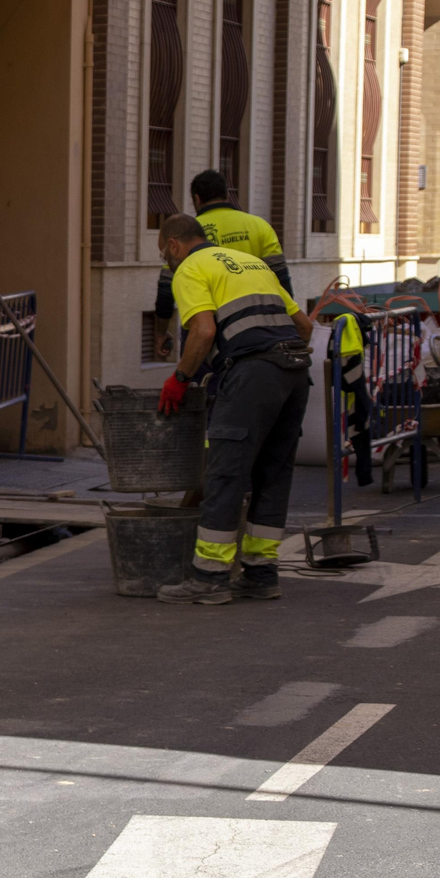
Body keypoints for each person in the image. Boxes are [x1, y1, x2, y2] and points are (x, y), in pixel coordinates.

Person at [153, 214, 315, 604]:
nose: (167, 261)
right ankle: (261, 573)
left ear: (174, 245)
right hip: (294, 373)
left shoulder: (190, 268)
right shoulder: (251, 263)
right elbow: (305, 327)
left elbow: (204, 332)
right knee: (272, 473)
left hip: (253, 374)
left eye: (164, 254)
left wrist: (180, 378)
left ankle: (209, 577)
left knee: (227, 472)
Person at [153, 169, 292, 358]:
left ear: (197, 199)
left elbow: (165, 290)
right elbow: (281, 282)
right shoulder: (260, 226)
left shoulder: (186, 232)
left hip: (203, 327)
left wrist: (161, 332)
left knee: (203, 384)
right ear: (227, 194)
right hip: (258, 331)